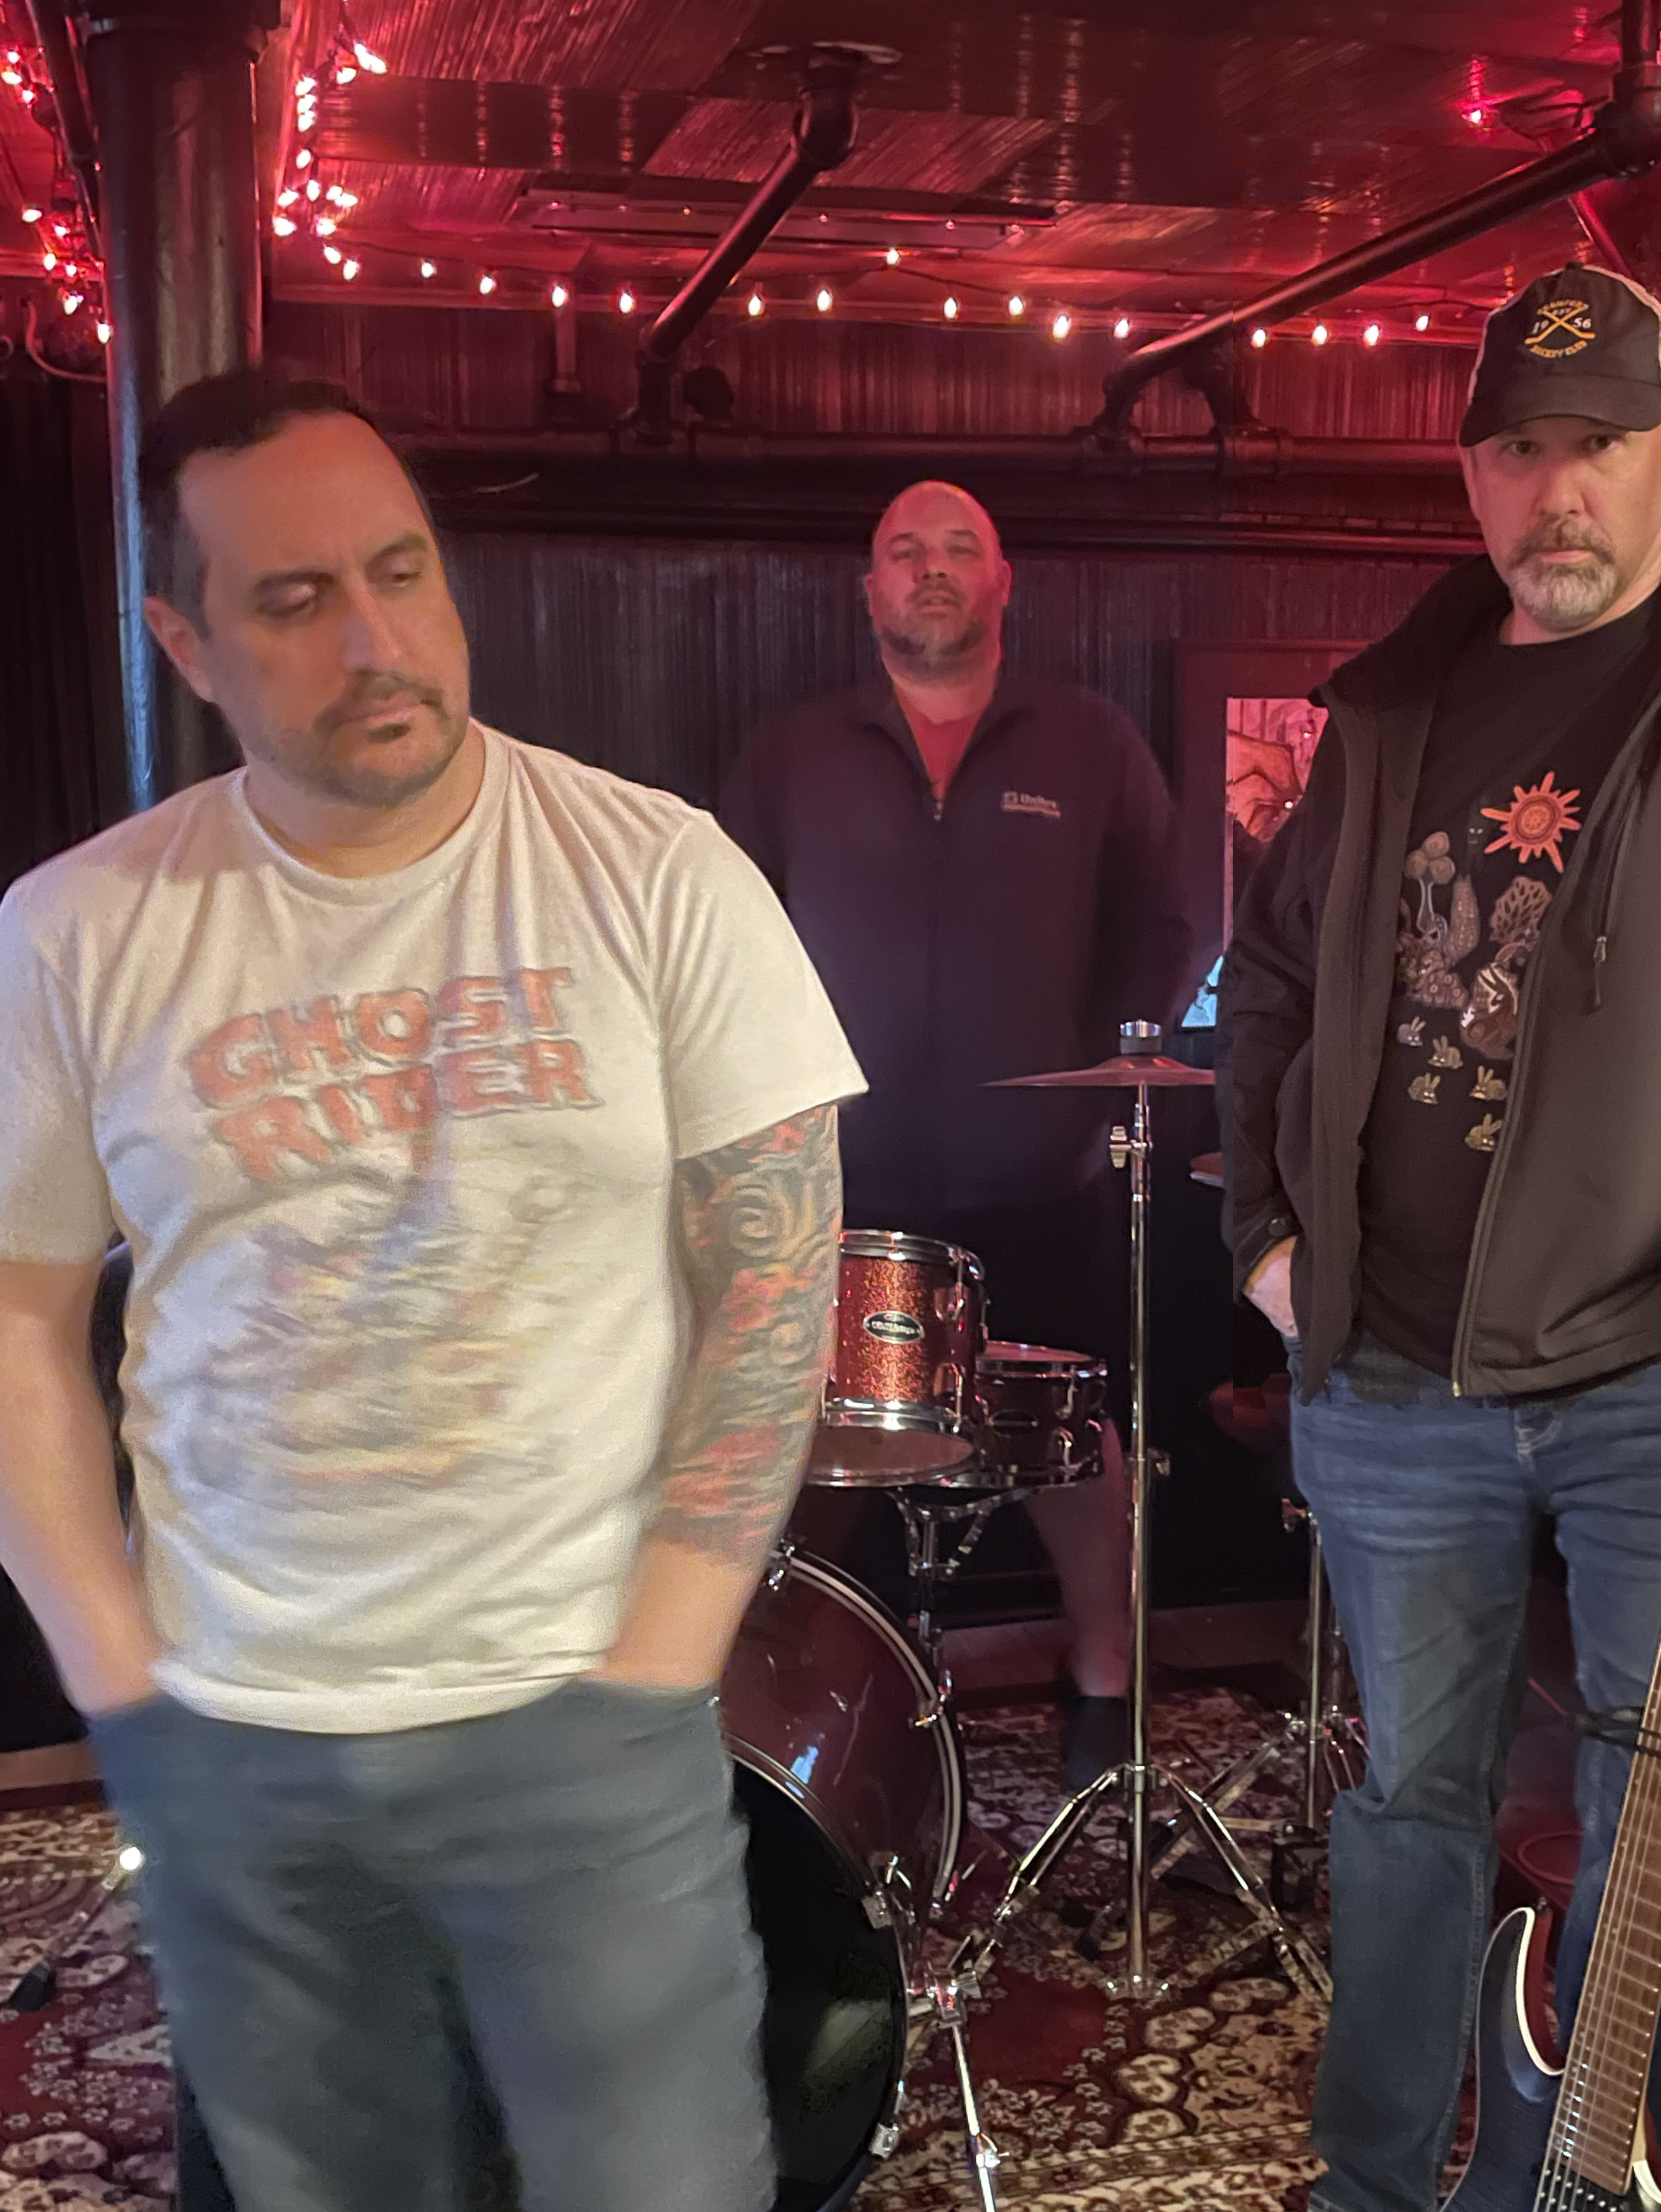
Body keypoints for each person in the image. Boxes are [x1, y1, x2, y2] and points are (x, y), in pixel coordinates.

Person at [0, 372, 865, 2212]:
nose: (375, 641)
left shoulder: (657, 872)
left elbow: (775, 1282)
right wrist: (121, 1687)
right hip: (238, 1734)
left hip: (583, 1712)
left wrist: (657, 1667)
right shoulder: (78, 931)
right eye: (295, 599)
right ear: (186, 643)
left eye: (400, 572)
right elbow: (16, 1318)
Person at [1223, 266, 1661, 2212]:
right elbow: (1269, 979)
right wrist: (1265, 1236)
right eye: (1521, 446)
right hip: (1388, 1366)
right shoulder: (1389, 700)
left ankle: (1606, 2176)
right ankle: (1376, 2181)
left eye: (1602, 443)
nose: (1558, 486)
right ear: (1472, 473)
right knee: (1408, 1802)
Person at [722, 480, 1194, 1789]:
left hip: (1035, 1174)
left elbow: (1163, 924)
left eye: (959, 548)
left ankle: (1104, 1669)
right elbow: (726, 938)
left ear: (1001, 583)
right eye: (904, 551)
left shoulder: (1089, 744)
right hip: (839, 1175)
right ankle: (799, 1693)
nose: (931, 568)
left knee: (1072, 1438)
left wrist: (1087, 1087)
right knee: (812, 1442)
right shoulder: (794, 753)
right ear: (870, 589)